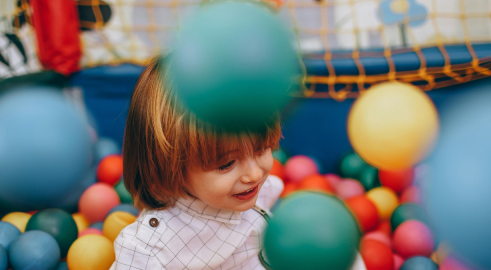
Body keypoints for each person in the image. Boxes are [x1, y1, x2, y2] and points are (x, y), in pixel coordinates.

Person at [111, 56, 365, 270]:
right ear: (167, 166)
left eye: (261, 149)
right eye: (226, 164)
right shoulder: (153, 249)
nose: (254, 174)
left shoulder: (249, 192)